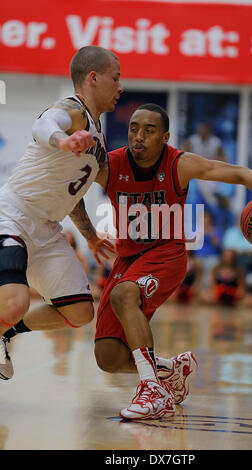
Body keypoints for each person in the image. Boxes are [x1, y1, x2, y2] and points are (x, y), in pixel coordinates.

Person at [78, 103, 252, 420]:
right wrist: (89, 235)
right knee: (108, 357)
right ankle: (172, 368)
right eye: (134, 128)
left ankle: (153, 392)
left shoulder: (179, 164)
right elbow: (72, 190)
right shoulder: (111, 166)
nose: (139, 136)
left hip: (167, 254)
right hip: (128, 259)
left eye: (149, 130)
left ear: (165, 137)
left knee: (125, 294)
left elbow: (239, 173)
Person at [0, 46, 122, 380]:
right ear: (93, 78)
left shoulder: (97, 136)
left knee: (81, 311)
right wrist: (61, 140)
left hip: (48, 228)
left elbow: (74, 197)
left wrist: (91, 237)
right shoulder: (74, 110)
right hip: (12, 214)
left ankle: (5, 334)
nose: (120, 87)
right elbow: (46, 122)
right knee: (14, 302)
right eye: (116, 77)